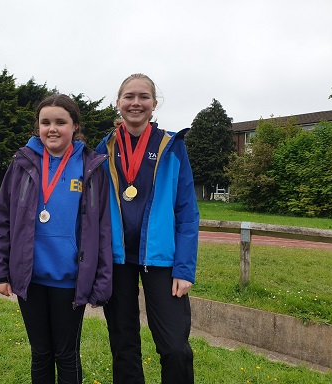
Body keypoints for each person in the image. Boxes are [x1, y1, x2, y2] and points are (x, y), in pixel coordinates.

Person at [0, 93, 112, 384]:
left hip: (70, 279)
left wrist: (102, 280)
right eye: (45, 122)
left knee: (67, 355)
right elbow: (3, 219)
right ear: (38, 127)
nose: (52, 128)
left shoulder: (91, 167)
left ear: (75, 126)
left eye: (60, 122)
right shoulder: (22, 163)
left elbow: (103, 228)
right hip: (30, 278)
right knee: (40, 353)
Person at [96, 74, 200, 384]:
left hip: (162, 260)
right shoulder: (104, 148)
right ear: (118, 102)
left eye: (144, 97)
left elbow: (187, 212)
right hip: (118, 259)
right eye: (129, 96)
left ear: (154, 104)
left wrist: (184, 268)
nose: (136, 102)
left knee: (175, 347)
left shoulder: (172, 146)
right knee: (124, 345)